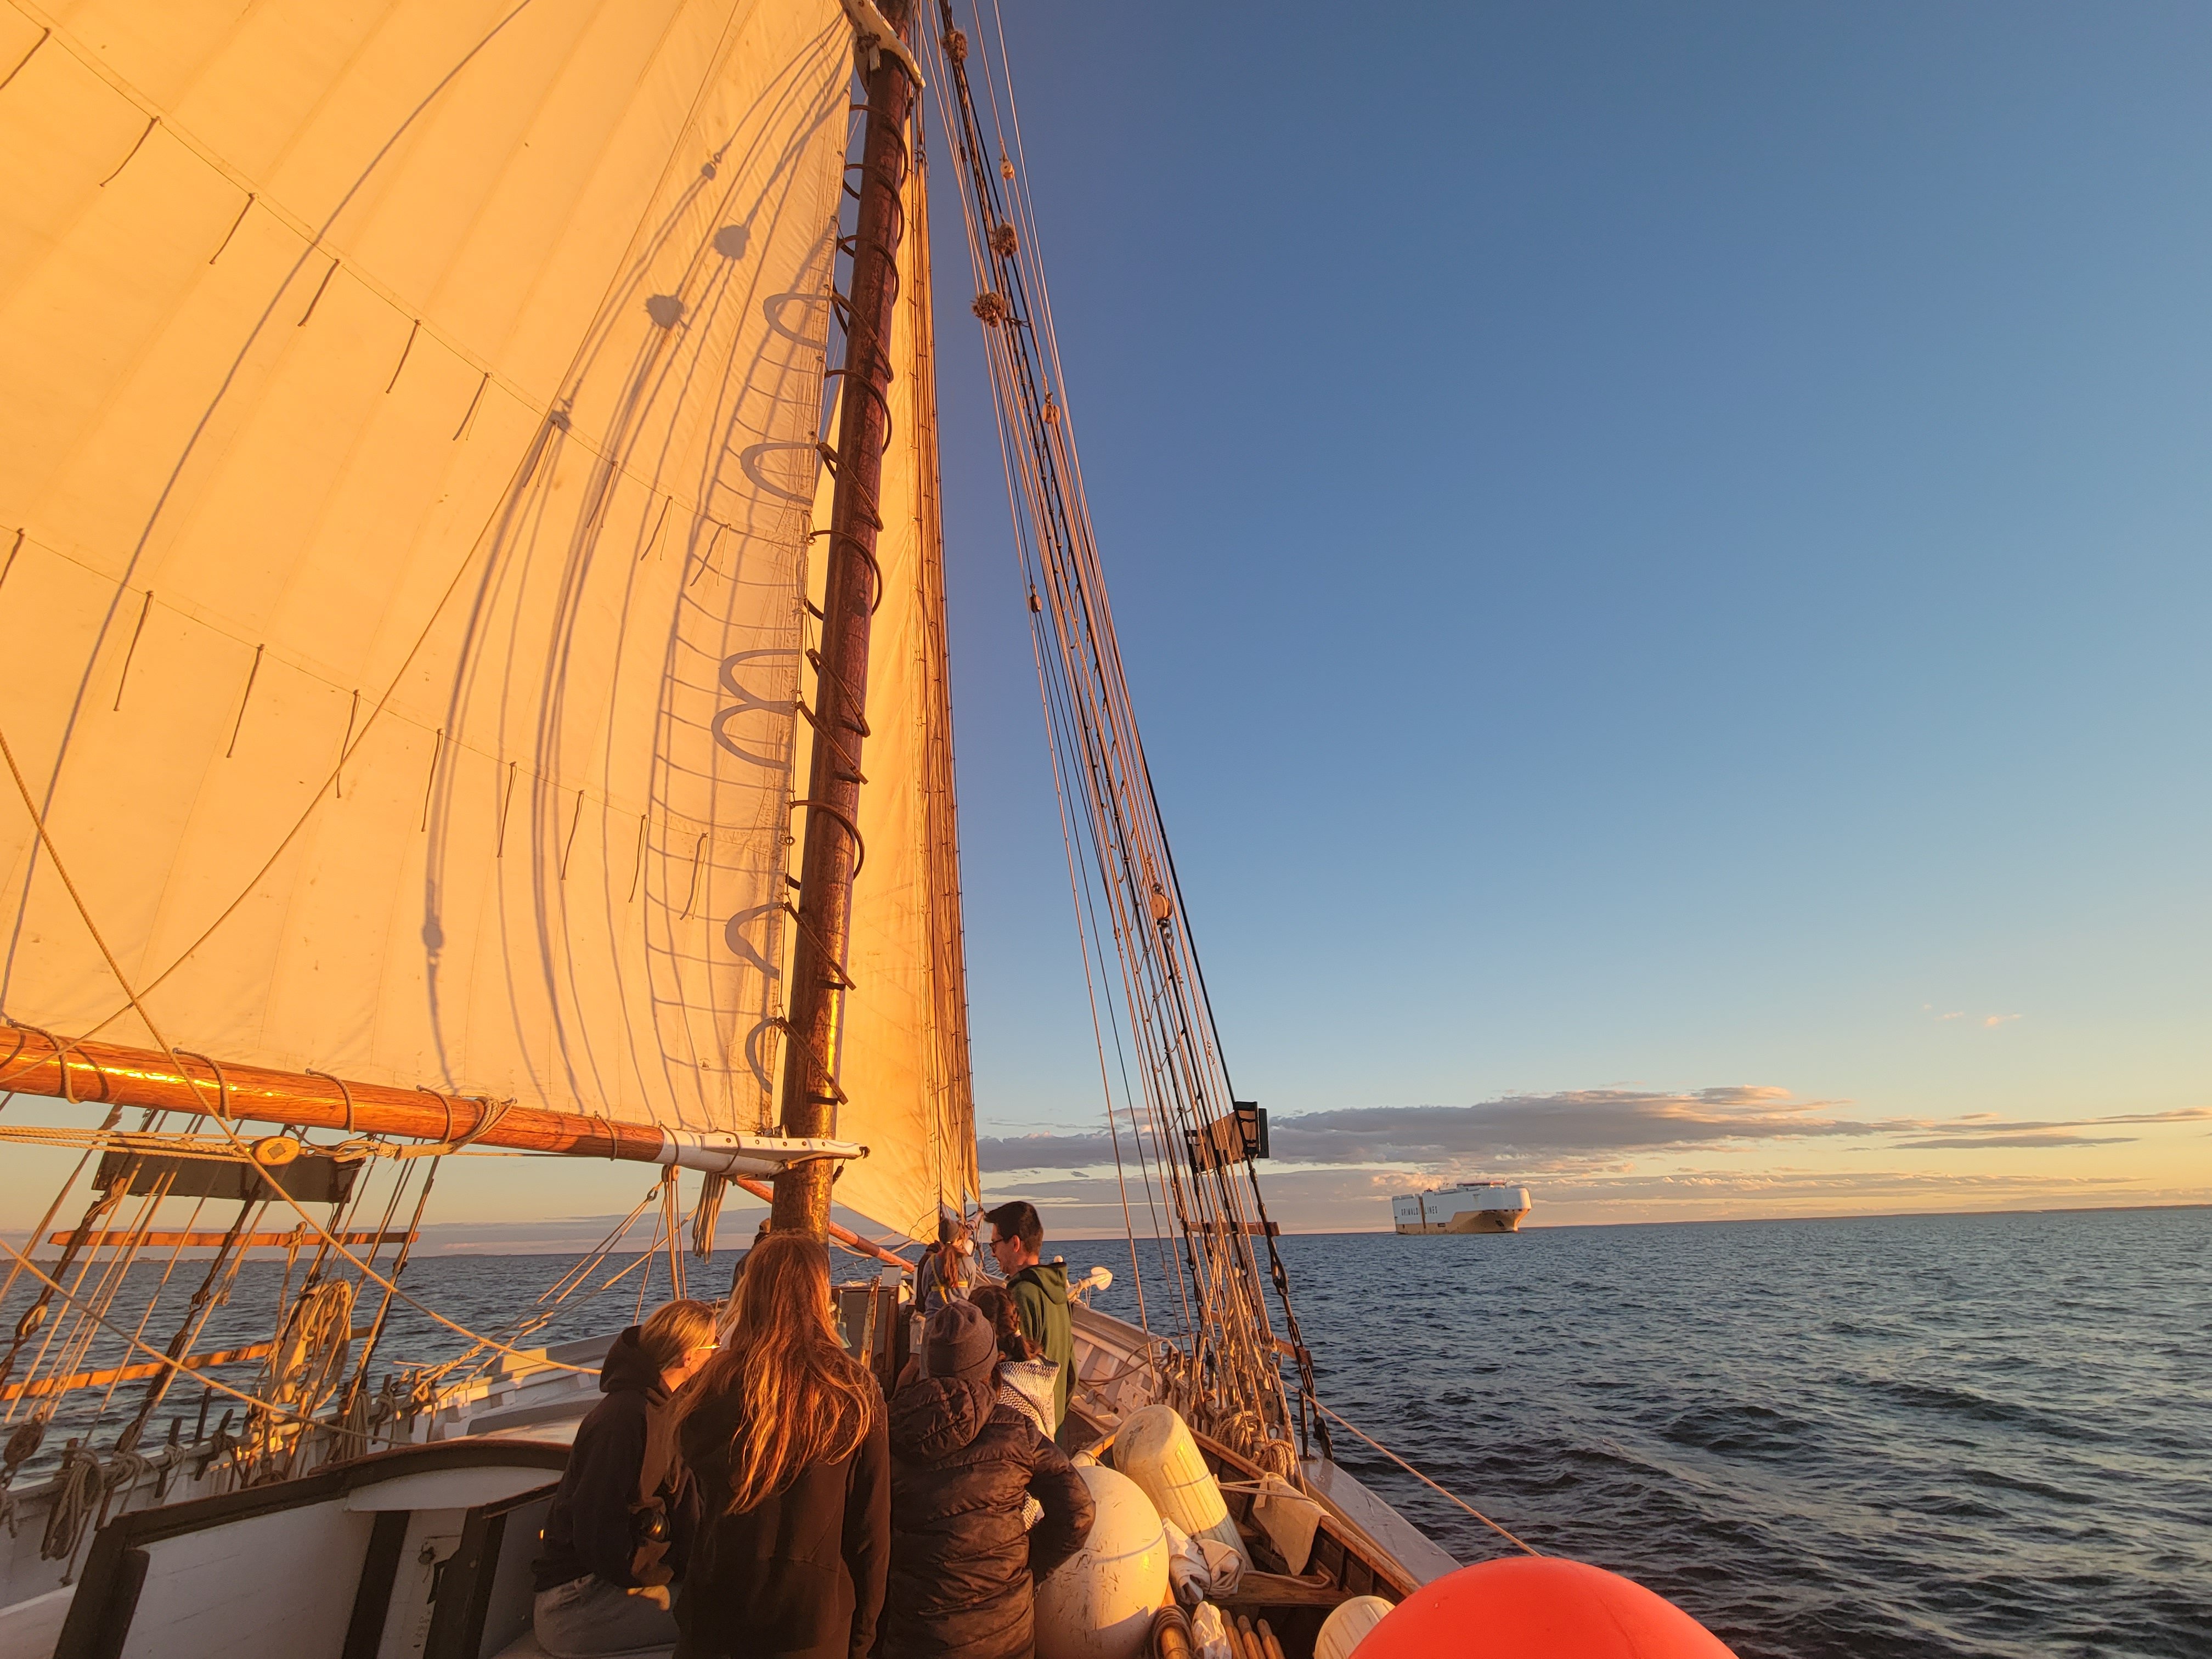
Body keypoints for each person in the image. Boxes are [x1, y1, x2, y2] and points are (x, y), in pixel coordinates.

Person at [675, 1233, 889, 1659]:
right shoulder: (853, 1394)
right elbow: (870, 1534)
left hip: (717, 1617)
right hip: (814, 1625)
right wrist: (864, 1638)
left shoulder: (708, 1388)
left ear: (750, 1293)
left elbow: (691, 1509)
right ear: (819, 1297)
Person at [881, 1300, 1096, 1659]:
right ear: (992, 1367)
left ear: (927, 1367)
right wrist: (1025, 1569)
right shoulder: (1017, 1431)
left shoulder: (887, 1431)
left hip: (914, 1640)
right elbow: (1078, 1513)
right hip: (1005, 1641)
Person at [532, 1298, 718, 1658]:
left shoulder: (664, 1410)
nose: (717, 1354)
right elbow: (601, 1535)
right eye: (714, 1346)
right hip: (579, 1602)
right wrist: (671, 1569)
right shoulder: (626, 1421)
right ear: (688, 1356)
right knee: (729, 1620)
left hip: (615, 1582)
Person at [982, 1200, 1073, 1431]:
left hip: (1029, 1435)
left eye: (994, 1244)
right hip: (1054, 1426)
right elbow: (1072, 1375)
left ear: (1014, 1243)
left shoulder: (1021, 1295)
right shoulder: (1059, 1293)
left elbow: (1018, 1375)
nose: (992, 1254)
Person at [912, 1206, 977, 1317]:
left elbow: (925, 1291)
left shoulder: (930, 1262)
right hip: (961, 1318)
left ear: (940, 1239)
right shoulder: (968, 1261)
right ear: (958, 1239)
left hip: (934, 1319)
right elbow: (970, 1287)